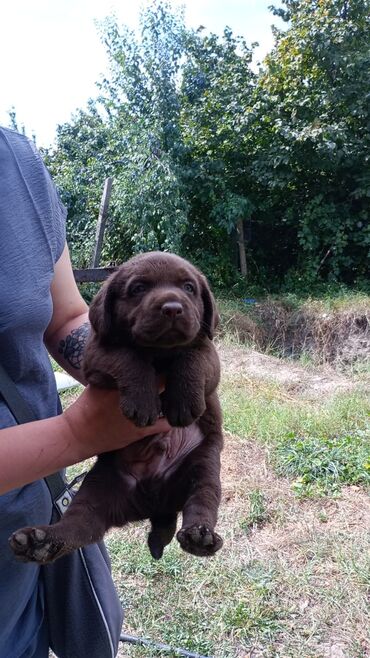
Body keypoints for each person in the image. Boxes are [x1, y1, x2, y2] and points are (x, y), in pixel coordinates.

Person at [0, 126, 170, 658]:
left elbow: (65, 315)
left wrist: (134, 367)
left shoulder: (16, 163)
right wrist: (78, 433)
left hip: (23, 547)